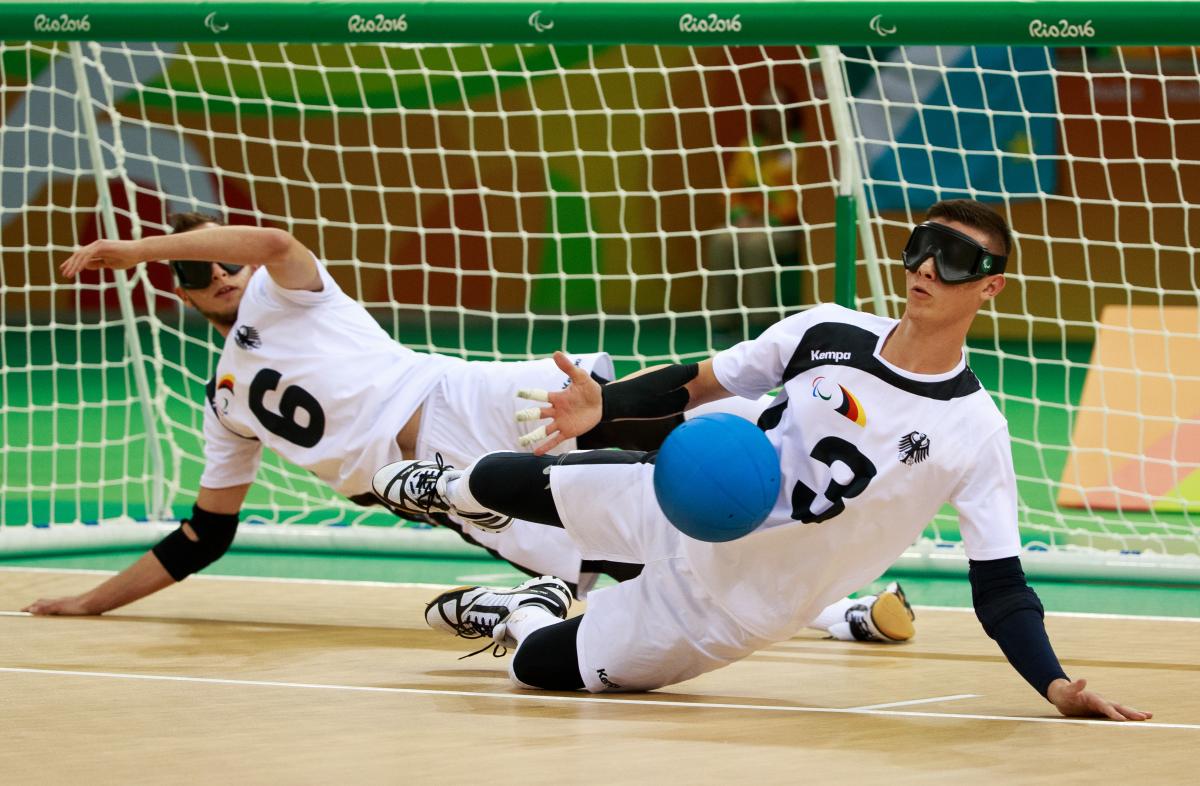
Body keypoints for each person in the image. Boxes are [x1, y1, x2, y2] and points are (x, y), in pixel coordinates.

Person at [376, 199, 1152, 720]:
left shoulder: (974, 432)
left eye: (953, 260)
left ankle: (526, 610)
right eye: (920, 247)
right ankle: (446, 489)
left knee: (533, 673)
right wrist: (604, 408)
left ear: (991, 289)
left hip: (724, 609)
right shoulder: (828, 331)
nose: (924, 268)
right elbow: (703, 380)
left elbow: (1002, 588)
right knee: (511, 477)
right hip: (683, 497)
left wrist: (1054, 685)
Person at [25, 213, 915, 648]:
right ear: (178, 294)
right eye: (192, 269)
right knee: (621, 552)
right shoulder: (225, 402)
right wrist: (86, 601)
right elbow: (205, 534)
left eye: (216, 256)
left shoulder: (283, 286)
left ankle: (816, 457)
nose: (216, 271)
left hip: (460, 392)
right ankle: (835, 613)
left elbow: (270, 239)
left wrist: (130, 251)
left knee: (634, 407)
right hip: (429, 482)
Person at [704, 84, 806, 334]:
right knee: (720, 239)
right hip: (746, 222)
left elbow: (802, 197)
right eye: (768, 109)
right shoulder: (749, 146)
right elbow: (731, 190)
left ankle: (761, 324)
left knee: (757, 245)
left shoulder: (804, 148)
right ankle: (722, 322)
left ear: (791, 112)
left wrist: (767, 220)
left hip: (784, 227)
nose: (774, 114)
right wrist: (741, 217)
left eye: (780, 108)